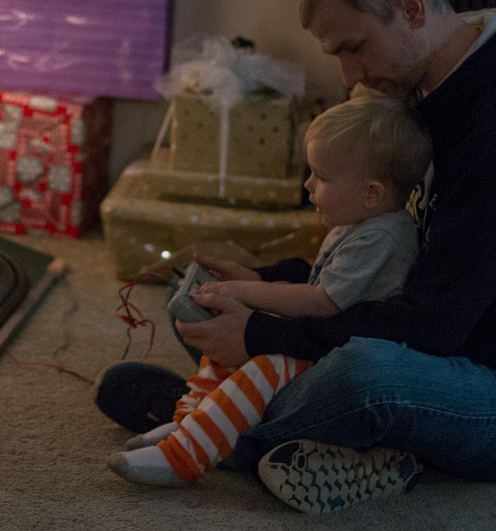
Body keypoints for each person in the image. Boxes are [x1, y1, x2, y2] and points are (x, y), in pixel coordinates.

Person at [95, 0, 496, 513]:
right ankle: (249, 416)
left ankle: (217, 427)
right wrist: (265, 283)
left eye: (355, 48)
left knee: (367, 374)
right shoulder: (421, 92)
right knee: (205, 295)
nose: (350, 76)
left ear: (412, 8)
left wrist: (261, 332)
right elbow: (375, 260)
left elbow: (435, 324)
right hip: (427, 339)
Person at [108, 92, 430, 488]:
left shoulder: (383, 235)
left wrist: (243, 292)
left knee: (263, 363)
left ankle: (184, 455)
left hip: (337, 354)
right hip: (321, 336)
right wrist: (254, 283)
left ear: (372, 193)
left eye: (322, 177)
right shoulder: (359, 220)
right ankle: (189, 421)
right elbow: (315, 281)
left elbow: (322, 302)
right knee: (226, 336)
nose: (308, 185)